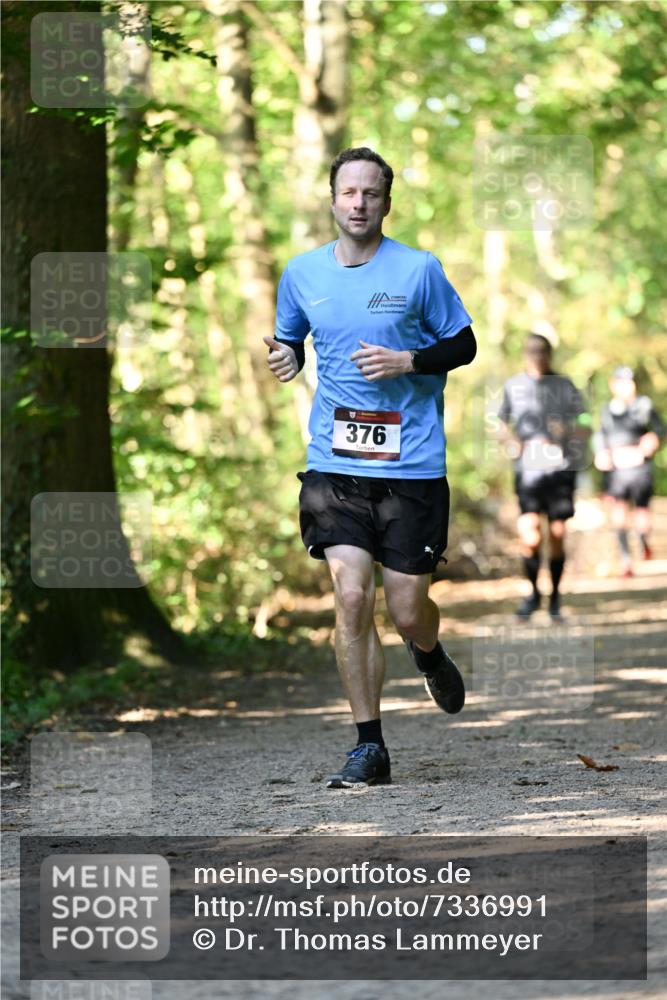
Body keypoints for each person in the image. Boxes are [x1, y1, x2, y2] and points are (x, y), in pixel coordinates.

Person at [263, 147, 476, 788]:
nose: (359, 203)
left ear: (387, 202)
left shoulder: (418, 270)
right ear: (331, 199)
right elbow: (292, 340)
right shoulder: (301, 273)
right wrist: (287, 361)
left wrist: (408, 361)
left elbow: (463, 342)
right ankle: (369, 746)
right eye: (348, 192)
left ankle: (427, 649)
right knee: (352, 596)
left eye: (371, 194)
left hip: (412, 466)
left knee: (407, 610)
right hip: (335, 464)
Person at [498, 333, 591, 620]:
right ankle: (534, 595)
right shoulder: (514, 386)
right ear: (525, 354)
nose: (537, 356)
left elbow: (586, 421)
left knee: (557, 534)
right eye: (532, 351)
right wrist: (512, 441)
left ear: (549, 353)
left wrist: (570, 433)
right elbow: (500, 422)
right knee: (530, 535)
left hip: (560, 471)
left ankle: (555, 600)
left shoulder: (564, 385)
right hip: (528, 471)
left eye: (542, 351)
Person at [593, 366, 665, 577]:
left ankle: (643, 540)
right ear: (613, 385)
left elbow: (661, 429)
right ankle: (626, 560)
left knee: (642, 510)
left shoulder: (644, 405)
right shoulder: (607, 410)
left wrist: (652, 440)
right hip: (617, 470)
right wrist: (601, 453)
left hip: (640, 468)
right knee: (619, 513)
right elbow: (600, 435)